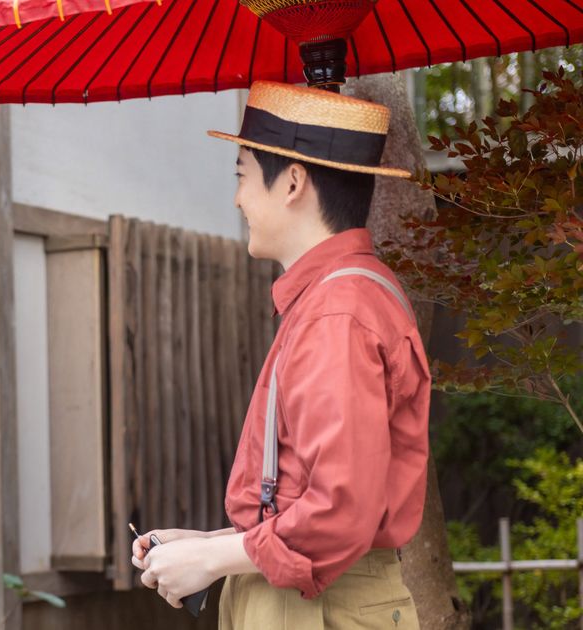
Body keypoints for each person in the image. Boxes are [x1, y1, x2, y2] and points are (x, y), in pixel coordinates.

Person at [132, 81, 430, 629]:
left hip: (318, 605)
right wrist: (209, 545)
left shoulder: (338, 312)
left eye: (242, 175)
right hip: (312, 596)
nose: (238, 198)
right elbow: (313, 501)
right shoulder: (340, 297)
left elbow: (340, 510)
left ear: (292, 182)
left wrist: (212, 559)